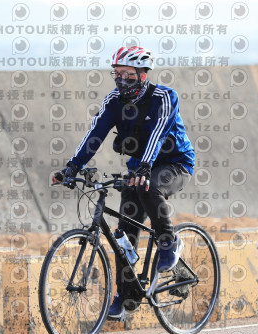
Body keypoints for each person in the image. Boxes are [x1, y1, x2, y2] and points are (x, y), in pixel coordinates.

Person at [52, 46, 195, 319]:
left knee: (149, 186)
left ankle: (169, 242)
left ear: (143, 75)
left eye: (128, 74)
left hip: (175, 164)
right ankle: (127, 295)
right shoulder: (114, 101)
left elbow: (157, 133)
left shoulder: (164, 97)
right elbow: (95, 134)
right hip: (139, 168)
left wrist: (144, 165)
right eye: (117, 74)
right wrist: (72, 167)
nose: (121, 80)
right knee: (124, 234)